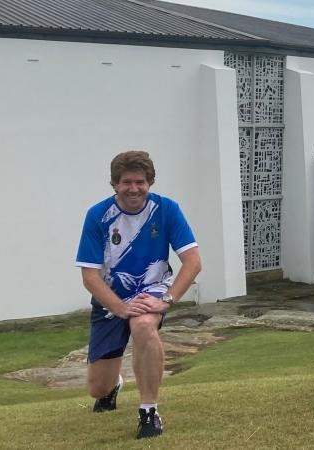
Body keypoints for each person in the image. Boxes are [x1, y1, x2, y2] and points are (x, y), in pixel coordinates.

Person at [75, 151, 202, 438]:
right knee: (98, 387)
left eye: (140, 182)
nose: (134, 189)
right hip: (111, 297)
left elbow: (193, 262)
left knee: (144, 325)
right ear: (114, 184)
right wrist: (120, 307)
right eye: (126, 182)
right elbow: (90, 277)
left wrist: (166, 300)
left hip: (151, 288)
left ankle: (149, 411)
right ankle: (114, 385)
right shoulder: (97, 216)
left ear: (151, 182)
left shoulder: (167, 210)